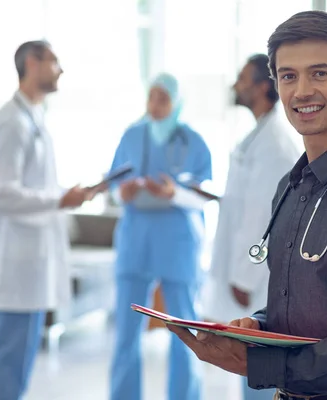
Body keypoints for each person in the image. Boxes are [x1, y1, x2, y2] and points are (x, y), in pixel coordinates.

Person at [167, 11, 327, 400]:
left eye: (319, 73)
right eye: (289, 76)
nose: (302, 90)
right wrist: (258, 328)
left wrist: (263, 364)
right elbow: (309, 309)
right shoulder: (293, 186)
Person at [0, 40, 95, 400]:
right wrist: (60, 198)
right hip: (13, 267)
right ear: (32, 63)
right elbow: (2, 194)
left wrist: (63, 195)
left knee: (18, 364)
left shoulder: (33, 117)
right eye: (54, 62)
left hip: (30, 266)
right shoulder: (10, 122)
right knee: (5, 362)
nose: (60, 70)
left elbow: (31, 186)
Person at [201, 54, 301, 400]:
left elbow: (262, 218)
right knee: (249, 367)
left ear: (262, 87)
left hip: (255, 280)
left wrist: (245, 276)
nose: (235, 85)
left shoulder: (273, 143)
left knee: (258, 368)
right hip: (248, 274)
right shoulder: (260, 135)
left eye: (242, 78)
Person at [108, 72, 212, 400]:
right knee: (126, 333)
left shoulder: (193, 140)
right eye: (151, 97)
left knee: (185, 332)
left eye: (163, 98)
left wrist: (173, 194)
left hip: (177, 241)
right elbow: (111, 184)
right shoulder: (132, 135)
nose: (155, 105)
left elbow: (207, 194)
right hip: (135, 239)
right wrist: (119, 193)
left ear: (176, 102)